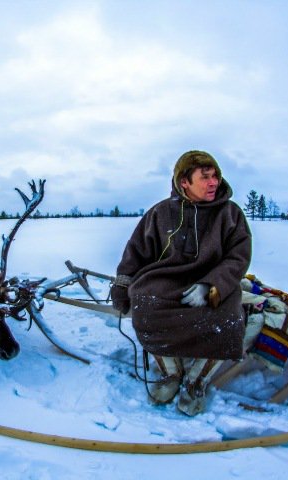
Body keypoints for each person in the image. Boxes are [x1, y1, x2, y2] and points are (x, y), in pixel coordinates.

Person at [111, 150, 252, 415]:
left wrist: (211, 286)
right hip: (166, 280)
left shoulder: (231, 214)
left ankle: (197, 381)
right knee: (146, 303)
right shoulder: (161, 212)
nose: (214, 183)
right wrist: (122, 284)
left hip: (212, 283)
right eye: (205, 177)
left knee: (229, 319)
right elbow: (137, 252)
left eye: (216, 176)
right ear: (184, 182)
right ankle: (171, 373)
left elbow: (238, 257)